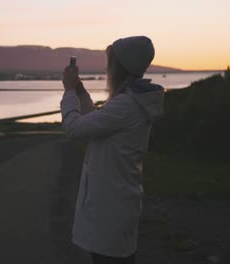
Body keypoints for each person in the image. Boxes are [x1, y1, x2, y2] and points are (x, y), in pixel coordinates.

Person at [60, 36, 164, 264]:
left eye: (111, 63)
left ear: (120, 68)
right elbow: (96, 123)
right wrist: (80, 92)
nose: (108, 69)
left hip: (109, 210)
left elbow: (74, 128)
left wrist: (68, 91)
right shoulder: (132, 102)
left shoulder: (126, 105)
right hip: (118, 205)